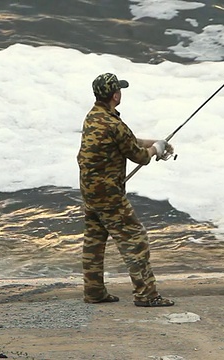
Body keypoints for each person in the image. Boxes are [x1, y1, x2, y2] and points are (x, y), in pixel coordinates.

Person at [77, 72, 175, 307]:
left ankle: (94, 292)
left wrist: (155, 142)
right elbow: (139, 156)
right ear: (115, 95)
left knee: (94, 241)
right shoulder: (113, 123)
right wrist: (155, 150)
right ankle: (146, 295)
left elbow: (127, 141)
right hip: (109, 195)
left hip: (90, 190)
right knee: (135, 240)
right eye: (119, 90)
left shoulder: (93, 117)